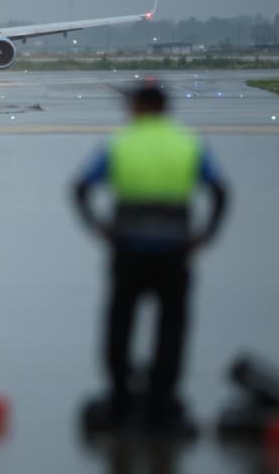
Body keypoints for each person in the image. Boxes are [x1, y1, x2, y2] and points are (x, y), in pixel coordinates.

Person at [72, 79, 228, 431]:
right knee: (171, 327)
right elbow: (220, 192)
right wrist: (206, 234)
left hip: (127, 250)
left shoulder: (121, 143)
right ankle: (161, 402)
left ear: (136, 108)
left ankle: (120, 399)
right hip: (175, 251)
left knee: (120, 324)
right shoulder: (187, 143)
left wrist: (99, 228)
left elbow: (80, 188)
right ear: (167, 109)